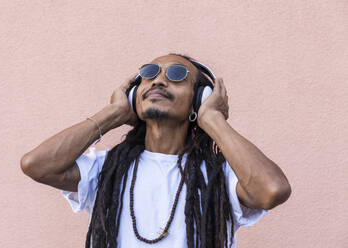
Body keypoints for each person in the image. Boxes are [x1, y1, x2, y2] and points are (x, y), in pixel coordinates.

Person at [20, 53, 291, 248]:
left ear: (200, 99)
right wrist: (112, 114)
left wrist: (213, 120)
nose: (158, 81)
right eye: (149, 73)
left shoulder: (220, 177)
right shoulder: (106, 169)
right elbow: (36, 164)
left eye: (176, 75)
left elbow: (272, 190)